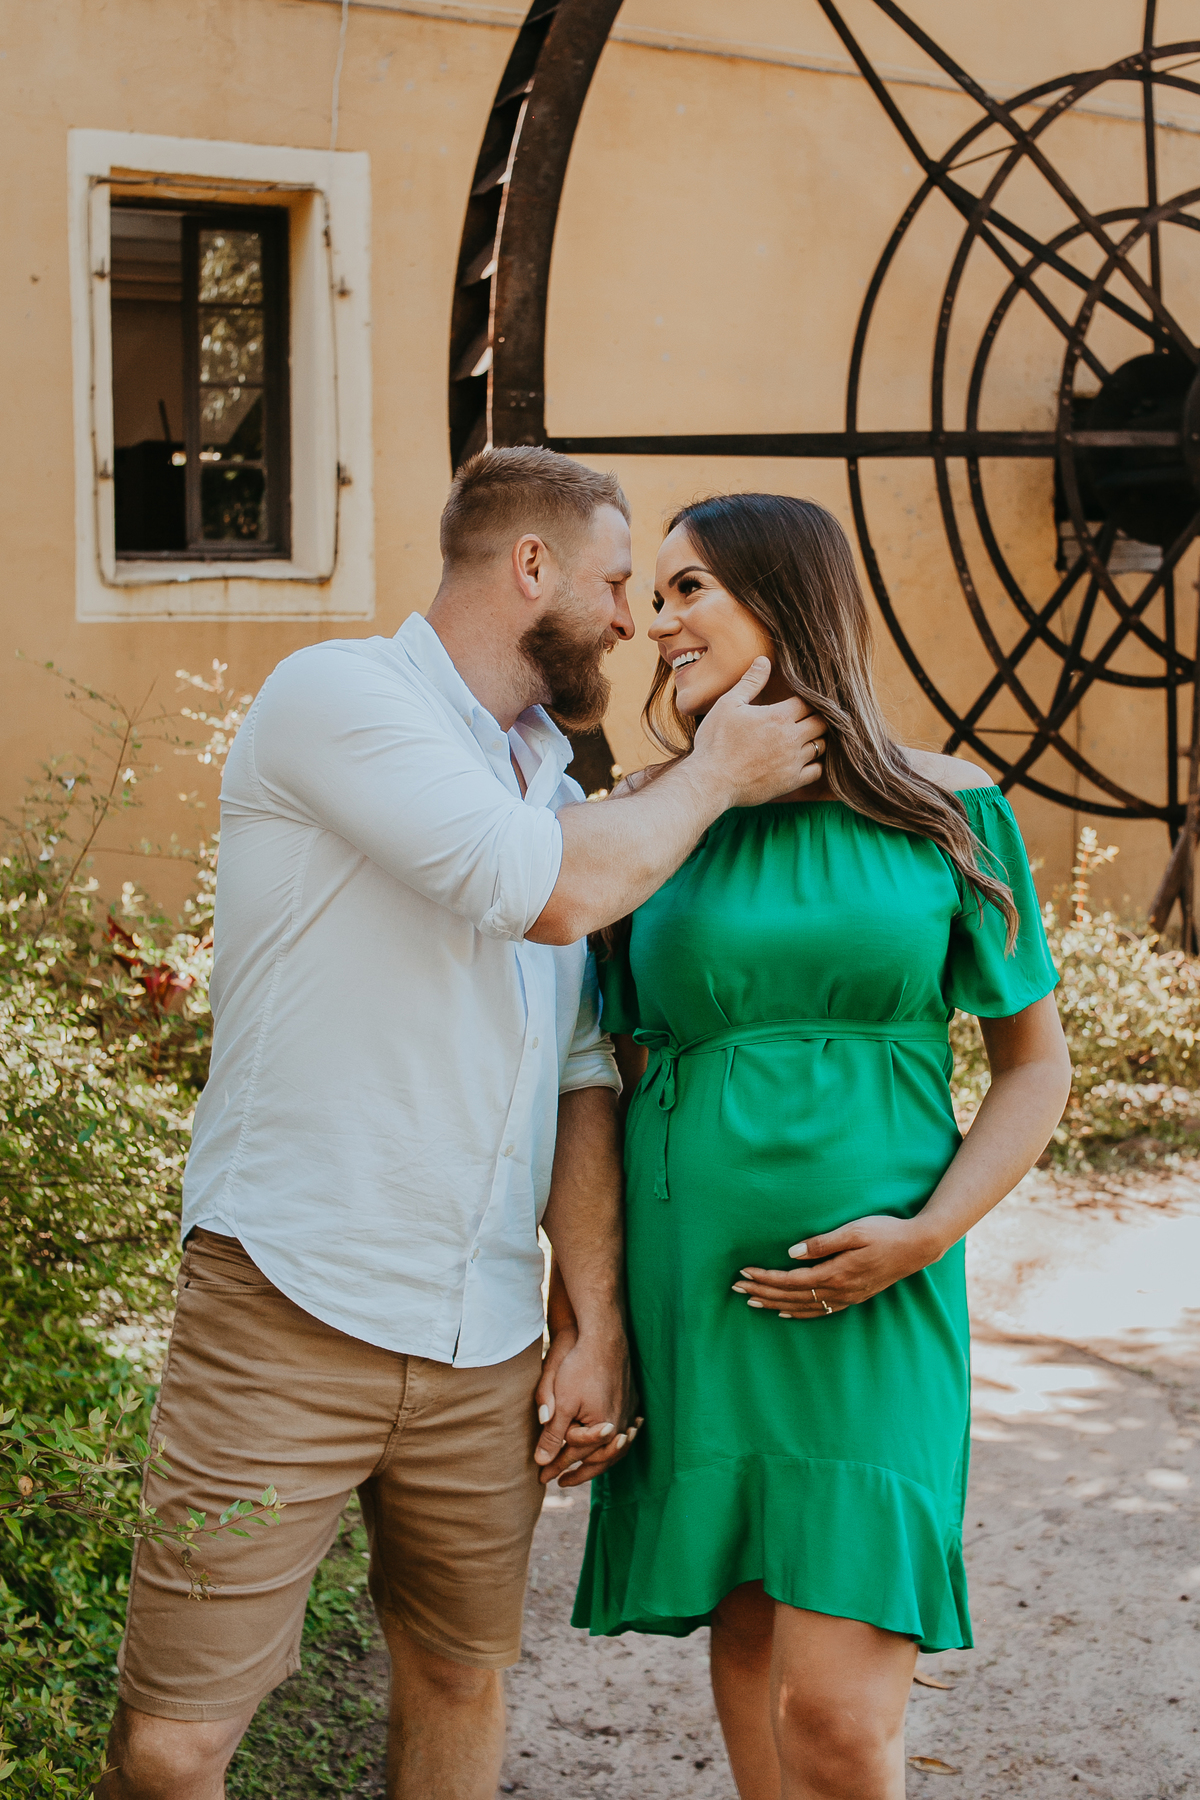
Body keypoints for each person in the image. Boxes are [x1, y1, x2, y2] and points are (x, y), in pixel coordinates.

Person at [98, 449, 827, 1800]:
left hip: (482, 1335)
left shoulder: (554, 796)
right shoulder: (340, 698)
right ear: (530, 568)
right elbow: (537, 896)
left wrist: (589, 1317)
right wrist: (717, 775)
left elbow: (581, 1071)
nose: (633, 620)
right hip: (287, 1304)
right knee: (177, 1740)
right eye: (618, 583)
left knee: (457, 1678)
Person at [571, 492, 1073, 1800]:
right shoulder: (651, 822)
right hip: (703, 1301)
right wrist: (603, 1316)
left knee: (844, 1724)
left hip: (883, 1299)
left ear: (783, 602)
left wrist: (925, 1234)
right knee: (747, 1642)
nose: (658, 622)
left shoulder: (947, 807)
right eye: (658, 594)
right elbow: (620, 1077)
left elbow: (1035, 1066)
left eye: (689, 591)